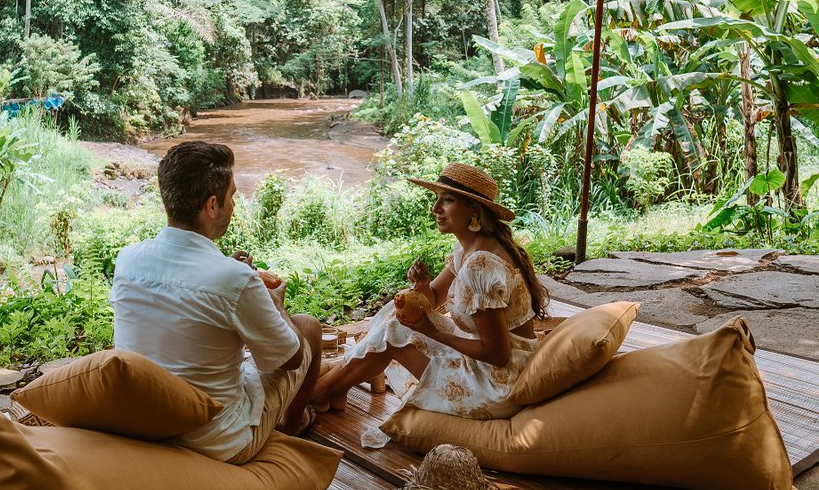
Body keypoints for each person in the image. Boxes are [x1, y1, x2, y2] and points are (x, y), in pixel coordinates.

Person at [111, 140, 322, 463]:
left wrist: (228, 268)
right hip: (218, 441)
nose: (234, 204)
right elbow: (290, 360)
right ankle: (292, 422)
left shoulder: (127, 259)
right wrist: (277, 305)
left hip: (144, 423)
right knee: (307, 328)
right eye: (232, 196)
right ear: (212, 206)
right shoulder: (235, 279)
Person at [312, 161, 548, 424]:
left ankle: (319, 392)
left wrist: (432, 333)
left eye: (447, 200)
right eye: (436, 199)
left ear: (475, 210)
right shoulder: (470, 249)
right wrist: (423, 284)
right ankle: (336, 388)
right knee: (396, 312)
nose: (435, 209)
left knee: (394, 334)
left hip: (496, 383)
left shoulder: (480, 266)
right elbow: (432, 299)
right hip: (493, 364)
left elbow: (497, 354)